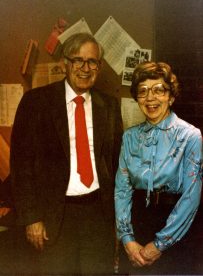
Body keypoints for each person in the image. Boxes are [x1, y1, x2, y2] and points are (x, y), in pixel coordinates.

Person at [10, 32, 123, 275]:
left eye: (92, 61)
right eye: (77, 60)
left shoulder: (110, 105)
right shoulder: (35, 102)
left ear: (99, 67)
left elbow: (115, 166)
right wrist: (31, 218)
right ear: (65, 63)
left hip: (98, 216)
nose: (85, 68)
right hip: (54, 217)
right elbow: (21, 166)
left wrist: (117, 221)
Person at [115, 61, 203, 275]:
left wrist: (160, 244)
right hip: (138, 225)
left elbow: (191, 198)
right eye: (143, 91)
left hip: (176, 227)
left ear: (171, 96)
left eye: (158, 90)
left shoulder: (190, 136)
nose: (150, 98)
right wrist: (127, 240)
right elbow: (122, 190)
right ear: (137, 98)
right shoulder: (129, 137)